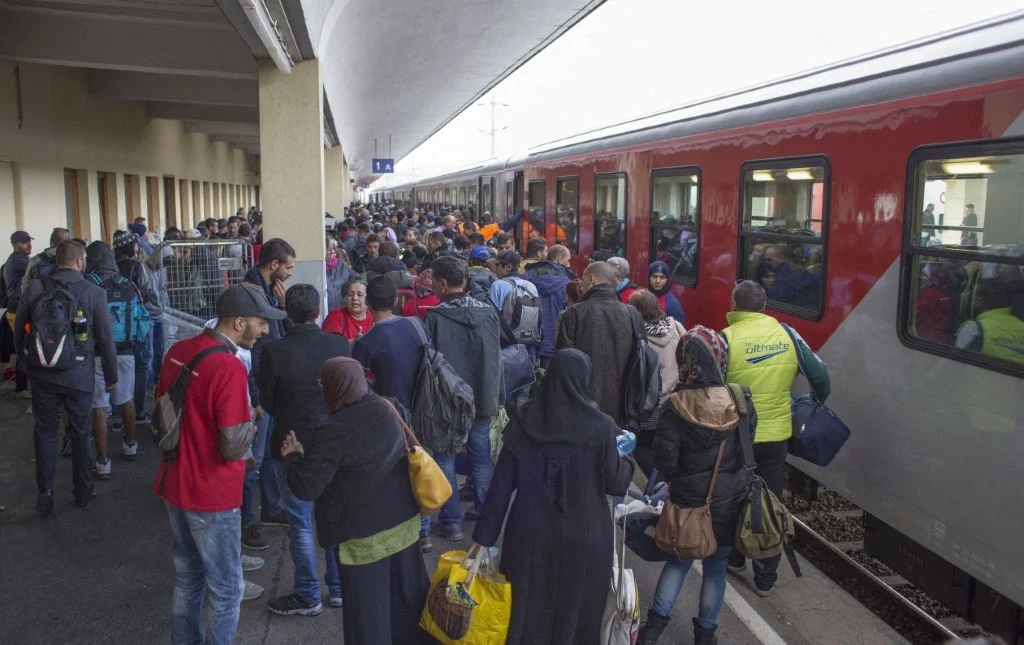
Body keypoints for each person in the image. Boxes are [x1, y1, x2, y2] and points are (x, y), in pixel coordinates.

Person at [473, 349, 634, 645]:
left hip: (529, 534)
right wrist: (627, 460)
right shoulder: (602, 426)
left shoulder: (523, 421)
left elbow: (501, 486)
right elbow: (616, 484)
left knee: (526, 610)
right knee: (578, 611)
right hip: (587, 537)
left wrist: (484, 536)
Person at [155, 284, 280, 645]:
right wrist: (253, 422)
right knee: (227, 588)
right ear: (239, 322)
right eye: (260, 322)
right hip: (212, 494)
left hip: (173, 481)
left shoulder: (180, 351)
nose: (265, 330)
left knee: (187, 577)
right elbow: (232, 445)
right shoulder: (228, 368)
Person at [282, 358, 436, 645]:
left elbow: (306, 486)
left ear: (333, 388)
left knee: (368, 619)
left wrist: (293, 456)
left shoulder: (335, 431)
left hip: (363, 539)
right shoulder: (389, 407)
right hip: (405, 526)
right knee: (408, 604)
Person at [638, 327, 756, 645]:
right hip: (731, 501)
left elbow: (665, 460)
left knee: (678, 562)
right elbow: (748, 449)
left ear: (686, 362)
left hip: (689, 500)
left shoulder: (676, 406)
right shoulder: (741, 399)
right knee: (717, 567)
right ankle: (706, 635)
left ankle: (652, 631)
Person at [722, 280, 829, 594]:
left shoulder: (726, 338)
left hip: (737, 436)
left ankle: (735, 557)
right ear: (764, 306)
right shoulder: (787, 334)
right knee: (769, 501)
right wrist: (812, 403)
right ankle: (766, 577)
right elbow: (821, 377)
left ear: (734, 304)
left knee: (735, 497)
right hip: (775, 437)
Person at [258, 284, 349, 615]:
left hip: (290, 443)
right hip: (333, 441)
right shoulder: (338, 343)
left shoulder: (274, 351)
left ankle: (308, 594)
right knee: (333, 516)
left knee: (300, 522)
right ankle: (338, 588)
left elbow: (267, 402)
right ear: (318, 309)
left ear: (286, 311)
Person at [16, 241, 117, 514]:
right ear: (80, 262)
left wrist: (25, 366)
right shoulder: (94, 292)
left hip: (42, 374)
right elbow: (106, 339)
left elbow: (20, 329)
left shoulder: (35, 287)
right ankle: (83, 490)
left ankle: (45, 492)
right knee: (81, 431)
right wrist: (111, 375)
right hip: (79, 375)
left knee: (45, 431)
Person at [425, 256, 504, 542]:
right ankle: (485, 513)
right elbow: (497, 359)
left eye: (433, 280)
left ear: (443, 284)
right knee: (481, 457)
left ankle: (451, 523)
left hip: (448, 402)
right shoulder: (488, 312)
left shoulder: (434, 317)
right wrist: (498, 396)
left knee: (445, 457)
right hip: (483, 397)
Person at [352, 275, 434, 551]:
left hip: (393, 415)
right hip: (427, 405)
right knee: (423, 467)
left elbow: (359, 385)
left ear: (369, 304)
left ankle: (409, 532)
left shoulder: (366, 343)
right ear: (398, 301)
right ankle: (425, 530)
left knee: (401, 474)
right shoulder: (417, 325)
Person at [242, 238, 296, 550]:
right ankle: (249, 522)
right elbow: (253, 353)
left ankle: (271, 508)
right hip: (261, 392)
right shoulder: (253, 294)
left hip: (269, 389)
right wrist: (257, 398)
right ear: (273, 265)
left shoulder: (267, 291)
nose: (290, 273)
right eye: (287, 267)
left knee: (269, 454)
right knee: (255, 459)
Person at [556, 261, 638, 426]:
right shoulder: (632, 314)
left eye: (584, 280)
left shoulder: (574, 313)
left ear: (592, 279)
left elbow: (563, 364)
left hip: (581, 405)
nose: (582, 285)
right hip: (620, 407)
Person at [84, 241, 140, 478]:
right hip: (126, 351)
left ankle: (103, 461)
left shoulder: (88, 285)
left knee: (99, 406)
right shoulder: (127, 284)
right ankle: (130, 445)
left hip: (97, 354)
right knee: (126, 399)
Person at [113, 231, 160, 427]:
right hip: (139, 322)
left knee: (116, 367)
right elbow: (147, 293)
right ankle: (139, 411)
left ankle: (116, 416)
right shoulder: (136, 266)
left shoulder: (111, 268)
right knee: (141, 365)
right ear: (132, 247)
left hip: (115, 323)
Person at [525, 244, 575, 368]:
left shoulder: (527, 276)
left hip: (528, 340)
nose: (569, 265)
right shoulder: (567, 285)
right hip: (554, 342)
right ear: (560, 259)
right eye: (568, 260)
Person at [3, 230, 34, 397]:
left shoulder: (20, 259)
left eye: (29, 241)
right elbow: (36, 269)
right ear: (16, 244)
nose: (29, 245)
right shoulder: (18, 260)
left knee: (24, 345)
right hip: (17, 309)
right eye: (25, 242)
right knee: (24, 346)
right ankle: (20, 388)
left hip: (18, 308)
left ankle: (22, 386)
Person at [648, 261, 686, 325]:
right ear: (648, 278)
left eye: (662, 277)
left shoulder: (673, 304)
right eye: (654, 276)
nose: (658, 281)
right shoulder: (643, 298)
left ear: (667, 279)